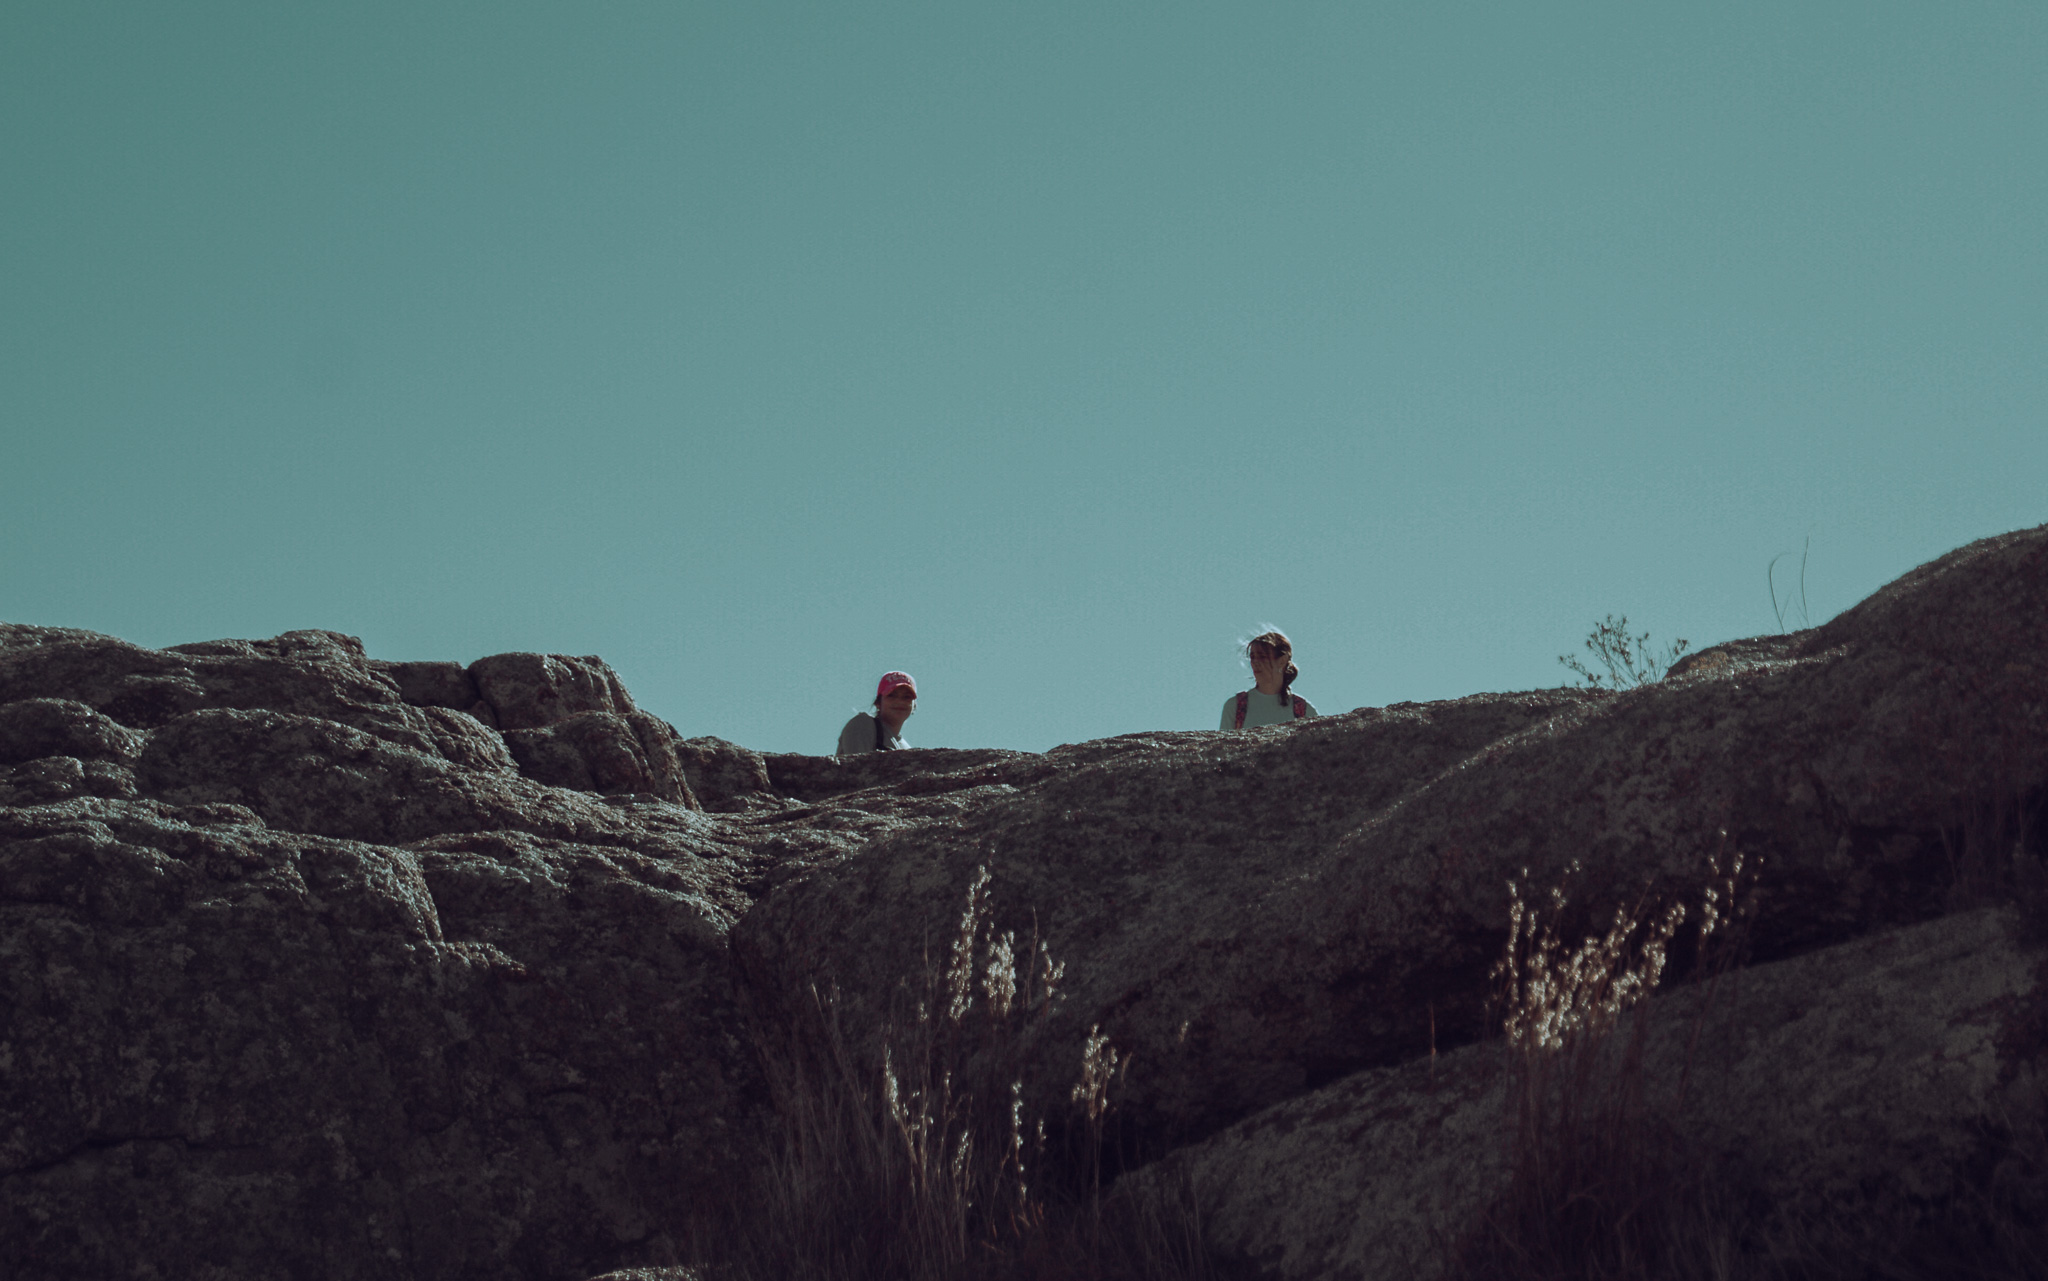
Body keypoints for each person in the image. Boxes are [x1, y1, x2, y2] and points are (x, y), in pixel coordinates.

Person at [1221, 631, 1318, 729]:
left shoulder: (1304, 712)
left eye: (1262, 657)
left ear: (1282, 661)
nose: (1255, 662)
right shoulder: (1236, 707)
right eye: (1252, 657)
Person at [838, 671, 917, 754]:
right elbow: (857, 761)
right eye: (891, 695)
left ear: (914, 706)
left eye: (907, 697)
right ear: (878, 703)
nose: (899, 701)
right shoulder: (862, 725)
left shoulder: (908, 750)